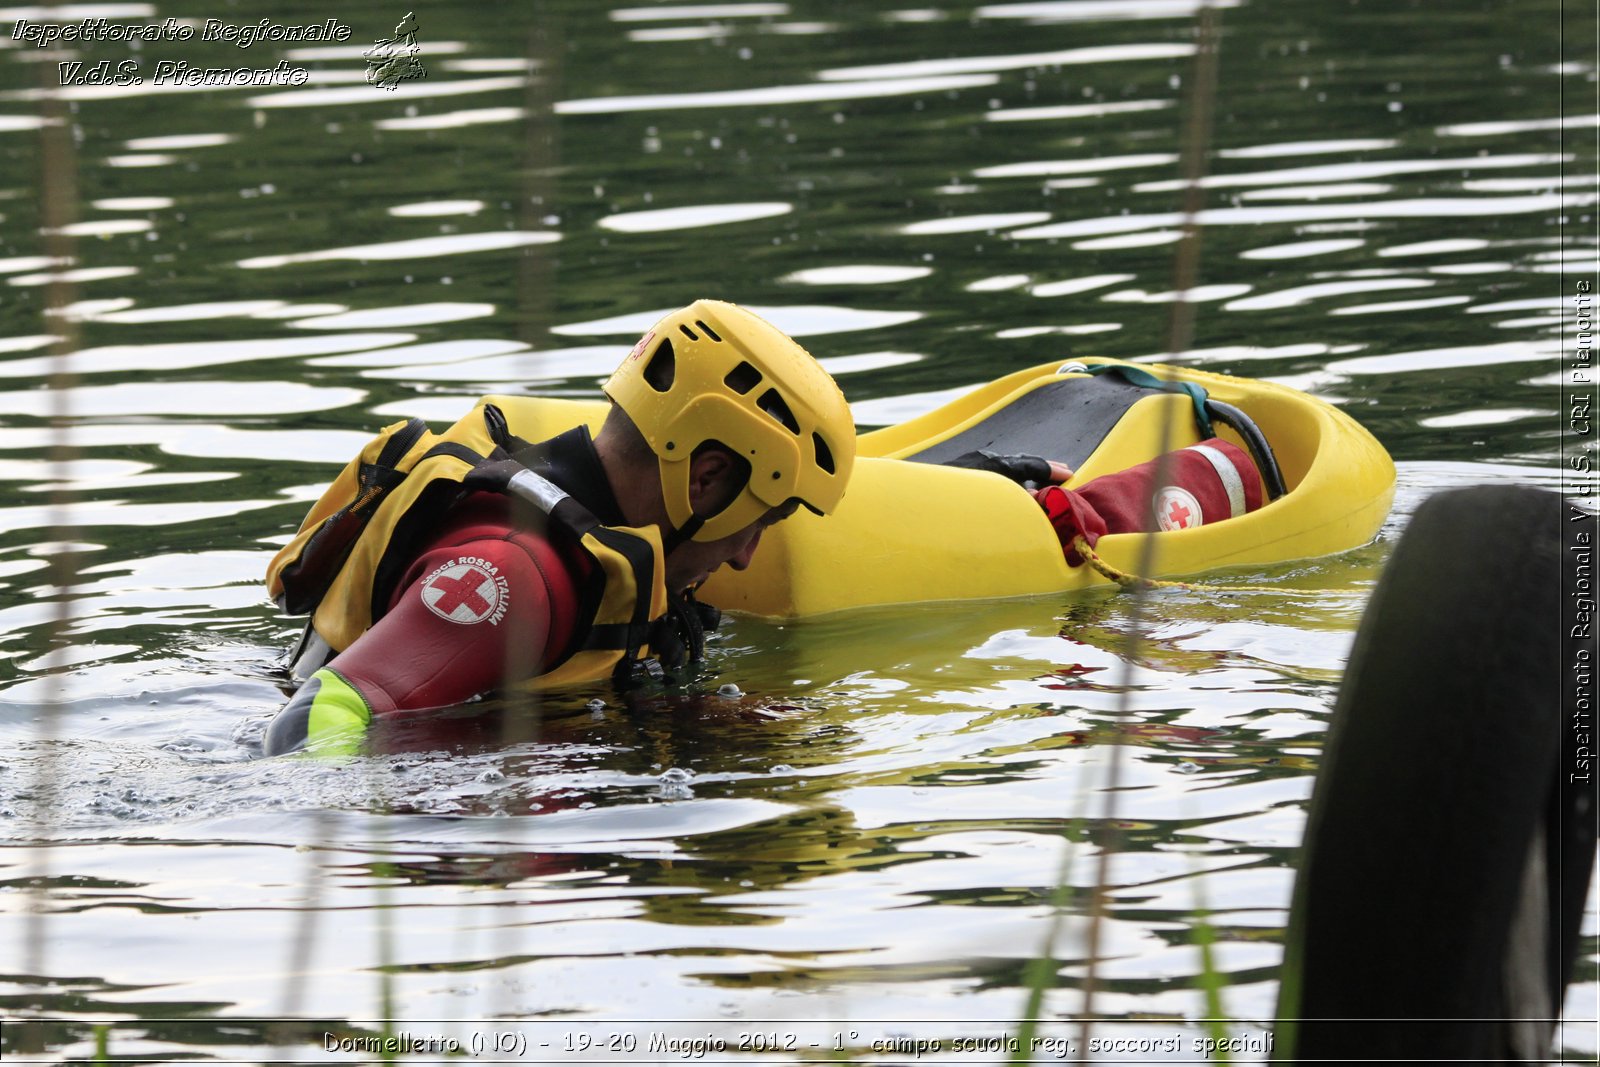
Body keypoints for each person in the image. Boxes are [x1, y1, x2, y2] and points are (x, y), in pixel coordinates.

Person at [263, 299, 856, 755]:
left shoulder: (601, 537)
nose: (746, 556)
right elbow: (314, 718)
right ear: (705, 480)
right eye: (762, 521)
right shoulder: (514, 572)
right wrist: (394, 872)